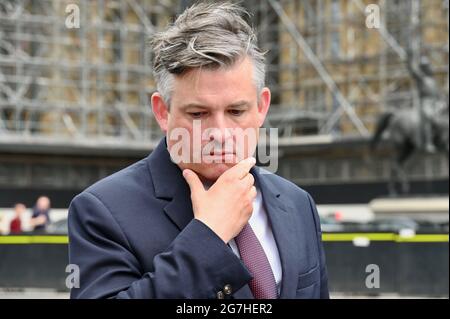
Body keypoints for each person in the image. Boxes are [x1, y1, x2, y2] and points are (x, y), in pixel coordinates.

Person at [68, 2, 328, 299]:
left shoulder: (299, 204)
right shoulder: (102, 211)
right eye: (198, 114)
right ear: (162, 112)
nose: (219, 133)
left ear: (261, 107)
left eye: (236, 110)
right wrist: (209, 235)